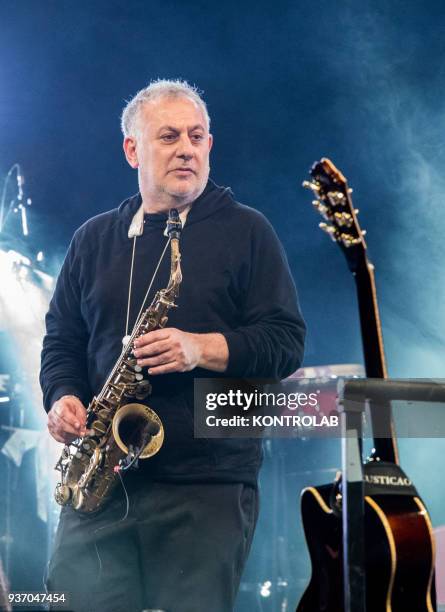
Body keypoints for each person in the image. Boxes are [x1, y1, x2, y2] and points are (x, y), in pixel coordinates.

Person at [40, 79, 306, 612]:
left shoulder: (248, 231)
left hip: (206, 485)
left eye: (197, 135)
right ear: (132, 149)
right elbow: (62, 341)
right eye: (168, 135)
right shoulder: (93, 239)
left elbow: (286, 342)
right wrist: (62, 395)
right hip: (100, 479)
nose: (187, 147)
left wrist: (204, 348)